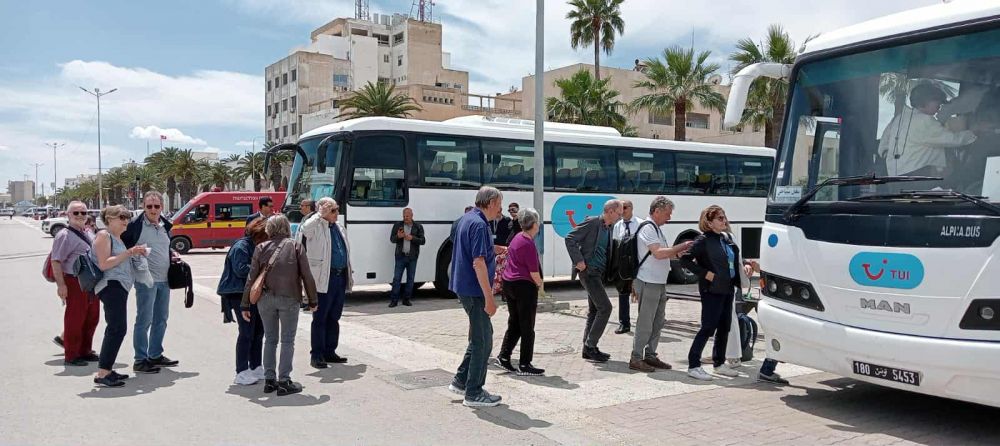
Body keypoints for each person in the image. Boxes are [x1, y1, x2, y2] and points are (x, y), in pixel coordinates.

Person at [242, 214, 318, 396]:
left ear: (269, 228)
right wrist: (313, 300)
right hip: (289, 297)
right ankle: (284, 380)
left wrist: (245, 304)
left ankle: (269, 380)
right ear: (286, 227)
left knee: (270, 339)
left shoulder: (260, 247)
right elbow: (307, 275)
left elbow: (251, 278)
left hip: (265, 298)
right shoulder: (296, 246)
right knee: (287, 340)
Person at [448, 186, 504, 407]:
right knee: (483, 341)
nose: (500, 209)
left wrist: (494, 248)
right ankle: (474, 393)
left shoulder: (467, 219)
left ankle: (461, 381)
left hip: (464, 287)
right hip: (475, 290)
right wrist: (489, 299)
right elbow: (478, 263)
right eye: (499, 204)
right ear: (491, 203)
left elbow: (474, 249)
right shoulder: (480, 225)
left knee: (479, 336)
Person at [680, 205, 748, 381]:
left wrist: (744, 267)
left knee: (725, 326)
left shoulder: (725, 239)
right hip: (711, 290)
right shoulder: (703, 240)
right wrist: (706, 274)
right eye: (720, 218)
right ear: (709, 223)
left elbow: (732, 260)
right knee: (708, 327)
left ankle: (719, 363)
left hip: (728, 288)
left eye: (724, 217)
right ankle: (693, 365)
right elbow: (685, 260)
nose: (724, 220)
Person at [627, 197, 693, 372]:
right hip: (648, 281)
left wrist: (677, 254)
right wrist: (681, 246)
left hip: (658, 282)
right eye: (667, 214)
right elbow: (658, 253)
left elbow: (663, 254)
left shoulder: (656, 229)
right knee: (645, 322)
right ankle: (636, 357)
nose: (669, 218)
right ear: (656, 211)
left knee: (658, 321)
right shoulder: (648, 228)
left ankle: (650, 355)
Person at [92, 205, 150, 387]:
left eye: (127, 217)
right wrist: (129, 252)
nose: (126, 221)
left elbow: (120, 260)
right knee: (116, 328)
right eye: (121, 217)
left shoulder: (117, 238)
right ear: (109, 219)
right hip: (111, 285)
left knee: (117, 328)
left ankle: (107, 369)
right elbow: (104, 263)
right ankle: (103, 373)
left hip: (120, 286)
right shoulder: (104, 235)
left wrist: (134, 254)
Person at [122, 191, 179, 373]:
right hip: (146, 281)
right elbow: (122, 247)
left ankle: (155, 355)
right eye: (149, 206)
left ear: (162, 207)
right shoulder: (135, 226)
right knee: (144, 320)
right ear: (143, 207)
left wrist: (172, 254)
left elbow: (164, 247)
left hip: (165, 280)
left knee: (161, 319)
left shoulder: (165, 225)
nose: (153, 210)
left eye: (156, 206)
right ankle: (140, 359)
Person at [565, 199, 623, 363]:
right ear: (610, 211)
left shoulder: (609, 228)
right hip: (589, 272)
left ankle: (587, 348)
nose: (620, 217)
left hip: (599, 274)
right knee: (605, 308)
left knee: (594, 310)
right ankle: (591, 346)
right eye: (619, 214)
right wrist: (579, 261)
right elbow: (570, 238)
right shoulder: (592, 222)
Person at [299, 197, 354, 369]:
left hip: (339, 277)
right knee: (320, 318)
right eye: (333, 210)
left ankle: (330, 351)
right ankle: (317, 354)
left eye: (337, 209)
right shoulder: (316, 225)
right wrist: (319, 214)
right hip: (324, 279)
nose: (337, 213)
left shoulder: (338, 227)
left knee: (334, 317)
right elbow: (305, 229)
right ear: (323, 210)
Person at [879, 83, 977, 179]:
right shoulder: (925, 120)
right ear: (926, 101)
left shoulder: (900, 118)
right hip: (917, 177)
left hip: (895, 177)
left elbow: (883, 145)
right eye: (938, 103)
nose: (939, 107)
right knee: (960, 178)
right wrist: (974, 133)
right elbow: (952, 140)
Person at [218, 218, 268, 385]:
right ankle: (241, 370)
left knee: (258, 331)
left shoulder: (254, 246)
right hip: (238, 294)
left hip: (250, 293)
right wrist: (264, 270)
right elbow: (241, 270)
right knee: (246, 332)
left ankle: (255, 366)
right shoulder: (242, 247)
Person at [495, 207, 545, 376]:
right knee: (527, 326)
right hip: (524, 286)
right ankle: (525, 364)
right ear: (534, 224)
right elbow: (534, 272)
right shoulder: (528, 243)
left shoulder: (517, 237)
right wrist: (541, 286)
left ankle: (504, 356)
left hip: (509, 283)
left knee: (515, 322)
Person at [49, 201, 99, 366]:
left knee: (92, 317)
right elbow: (56, 261)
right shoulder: (64, 235)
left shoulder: (88, 232)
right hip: (74, 280)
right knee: (75, 318)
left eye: (83, 213)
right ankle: (72, 354)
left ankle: (85, 350)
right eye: (76, 213)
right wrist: (61, 285)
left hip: (91, 281)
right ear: (68, 215)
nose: (80, 216)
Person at [611, 199, 643, 334]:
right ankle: (624, 323)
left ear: (631, 208)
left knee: (641, 294)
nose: (622, 211)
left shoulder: (641, 224)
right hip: (623, 266)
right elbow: (615, 246)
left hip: (638, 264)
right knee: (623, 293)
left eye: (625, 208)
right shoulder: (617, 226)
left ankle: (644, 323)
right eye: (620, 208)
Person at [389, 207, 425, 307]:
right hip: (400, 256)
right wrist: (398, 237)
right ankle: (394, 300)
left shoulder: (418, 226)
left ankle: (406, 299)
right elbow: (392, 239)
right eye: (404, 216)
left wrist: (412, 238)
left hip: (412, 257)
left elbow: (423, 241)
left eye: (407, 216)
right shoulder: (398, 225)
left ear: (412, 216)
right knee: (397, 279)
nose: (405, 218)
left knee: (410, 279)